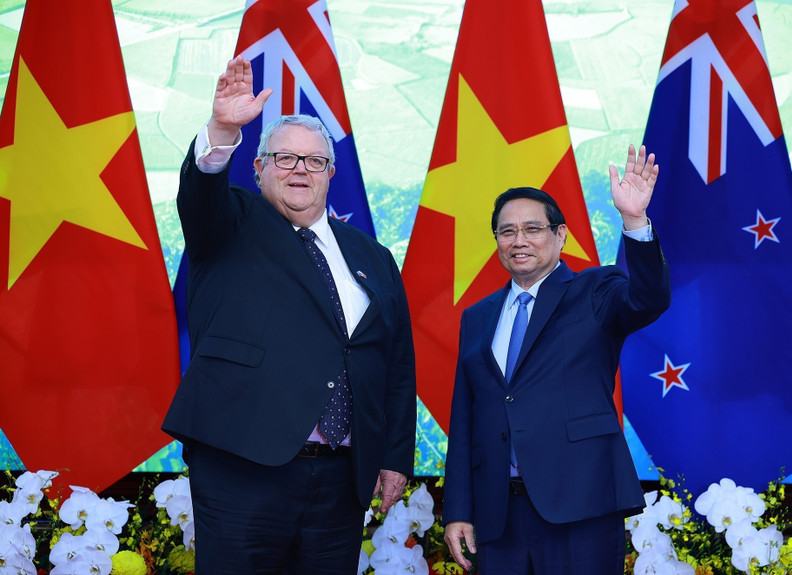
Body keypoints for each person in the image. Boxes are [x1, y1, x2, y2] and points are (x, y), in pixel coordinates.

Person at [162, 56, 416, 575]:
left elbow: (395, 364)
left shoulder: (373, 257)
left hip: (341, 480)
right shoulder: (231, 224)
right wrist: (222, 130)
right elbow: (200, 195)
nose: (300, 169)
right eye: (284, 158)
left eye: (313, 161)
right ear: (258, 169)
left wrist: (394, 456)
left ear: (330, 174)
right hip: (243, 465)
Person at [442, 145, 671, 575]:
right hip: (497, 515)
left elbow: (649, 298)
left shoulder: (596, 291)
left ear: (560, 235)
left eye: (532, 228)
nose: (519, 240)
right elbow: (466, 417)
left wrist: (635, 221)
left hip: (580, 504)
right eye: (507, 232)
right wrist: (457, 508)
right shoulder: (477, 316)